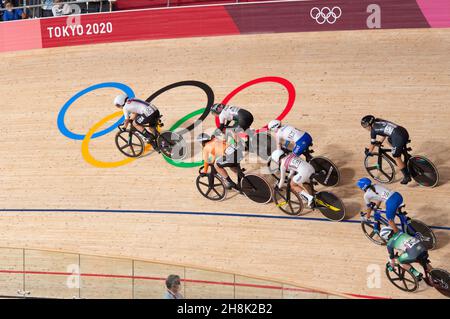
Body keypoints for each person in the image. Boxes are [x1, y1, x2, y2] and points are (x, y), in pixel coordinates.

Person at [361, 115, 411, 184]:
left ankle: (407, 176)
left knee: (396, 156)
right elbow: (385, 132)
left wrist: (369, 152)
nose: (365, 128)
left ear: (368, 125)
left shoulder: (373, 130)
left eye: (365, 127)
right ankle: (404, 153)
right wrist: (380, 142)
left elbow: (372, 144)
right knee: (388, 140)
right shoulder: (379, 120)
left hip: (398, 137)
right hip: (402, 131)